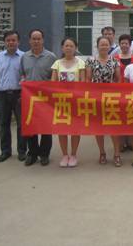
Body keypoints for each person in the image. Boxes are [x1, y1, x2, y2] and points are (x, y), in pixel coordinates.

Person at [20, 29, 57, 166]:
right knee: (31, 126)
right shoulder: (24, 57)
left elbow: (54, 77)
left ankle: (44, 154)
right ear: (29, 40)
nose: (36, 41)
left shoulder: (51, 57)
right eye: (33, 39)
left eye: (38, 39)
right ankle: (32, 153)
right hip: (29, 98)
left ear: (43, 40)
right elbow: (22, 74)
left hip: (45, 99)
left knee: (46, 127)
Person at [0, 30, 25, 163]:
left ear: (18, 42)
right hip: (2, 95)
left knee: (21, 125)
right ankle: (5, 151)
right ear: (4, 42)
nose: (11, 42)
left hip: (19, 94)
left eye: (13, 40)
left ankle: (22, 151)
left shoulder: (24, 57)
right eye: (8, 40)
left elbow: (26, 76)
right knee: (4, 124)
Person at [86, 36, 121, 166]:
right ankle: (102, 153)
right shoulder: (90, 60)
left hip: (111, 99)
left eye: (106, 44)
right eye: (102, 44)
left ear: (109, 46)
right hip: (96, 98)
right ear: (97, 46)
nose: (104, 47)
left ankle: (117, 154)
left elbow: (118, 79)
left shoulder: (115, 61)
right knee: (98, 127)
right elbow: (88, 79)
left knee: (113, 127)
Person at [51, 37, 85, 167]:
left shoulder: (81, 63)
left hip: (75, 101)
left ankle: (74, 154)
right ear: (62, 48)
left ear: (75, 48)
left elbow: (82, 82)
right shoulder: (57, 63)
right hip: (61, 101)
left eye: (71, 46)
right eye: (66, 46)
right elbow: (53, 82)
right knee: (62, 128)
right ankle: (65, 155)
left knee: (75, 129)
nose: (69, 48)